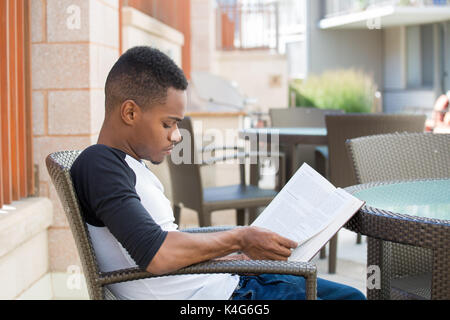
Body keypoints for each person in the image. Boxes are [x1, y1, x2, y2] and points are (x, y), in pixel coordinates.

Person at [70, 46, 366, 300]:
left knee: (351, 294)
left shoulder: (128, 166)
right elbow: (156, 254)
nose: (176, 136)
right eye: (167, 124)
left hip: (229, 282)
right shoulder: (99, 163)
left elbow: (165, 241)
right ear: (130, 113)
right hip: (225, 296)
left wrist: (231, 256)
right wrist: (240, 238)